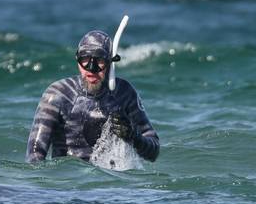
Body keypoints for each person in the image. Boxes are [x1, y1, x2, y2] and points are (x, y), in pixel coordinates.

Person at [26, 29, 160, 163]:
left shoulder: (124, 93)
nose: (91, 68)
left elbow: (154, 153)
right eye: (85, 59)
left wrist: (134, 137)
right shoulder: (58, 94)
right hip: (68, 179)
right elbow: (34, 156)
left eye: (100, 60)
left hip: (111, 179)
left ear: (110, 62)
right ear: (77, 60)